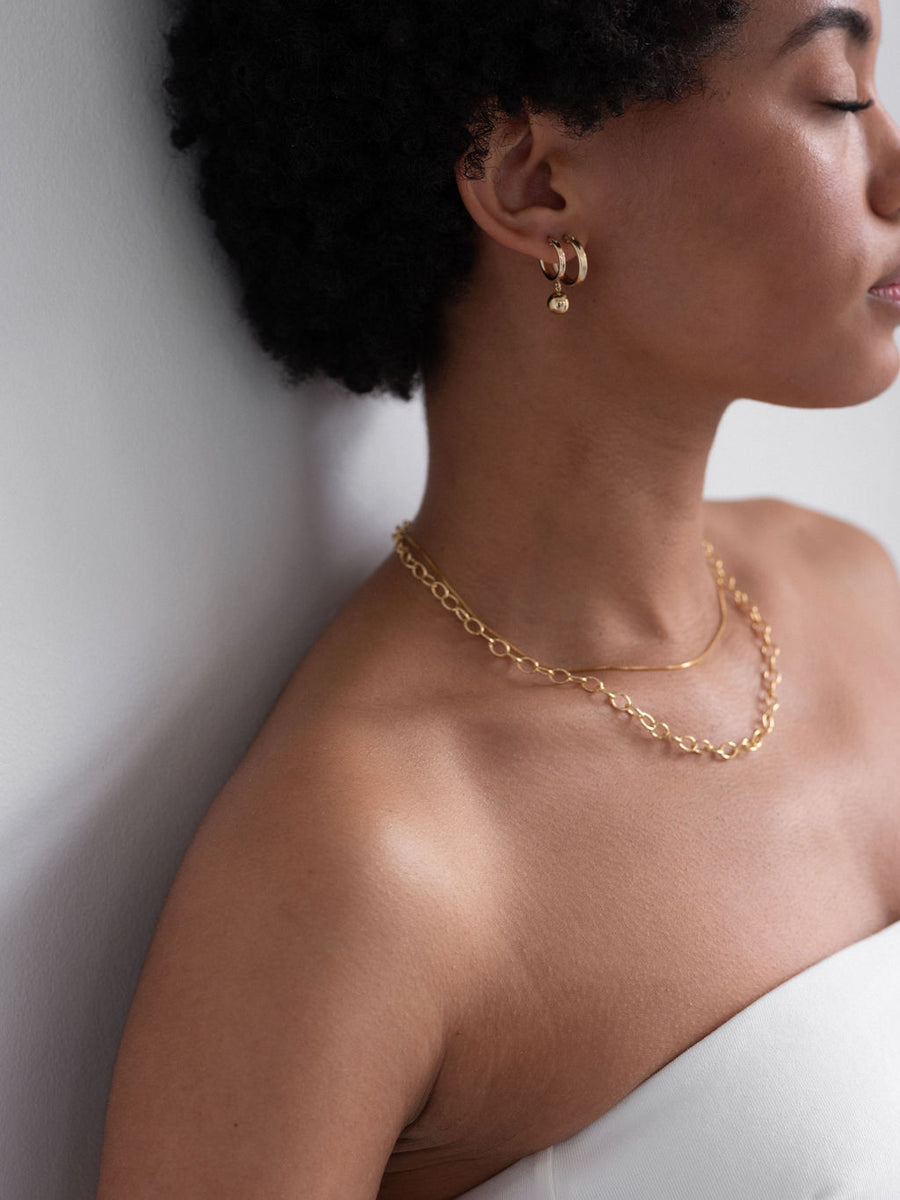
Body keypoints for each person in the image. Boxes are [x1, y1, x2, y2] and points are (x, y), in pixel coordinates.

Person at [96, 0, 900, 1196]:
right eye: (838, 95)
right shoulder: (365, 866)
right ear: (534, 184)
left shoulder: (854, 589)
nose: (892, 163)